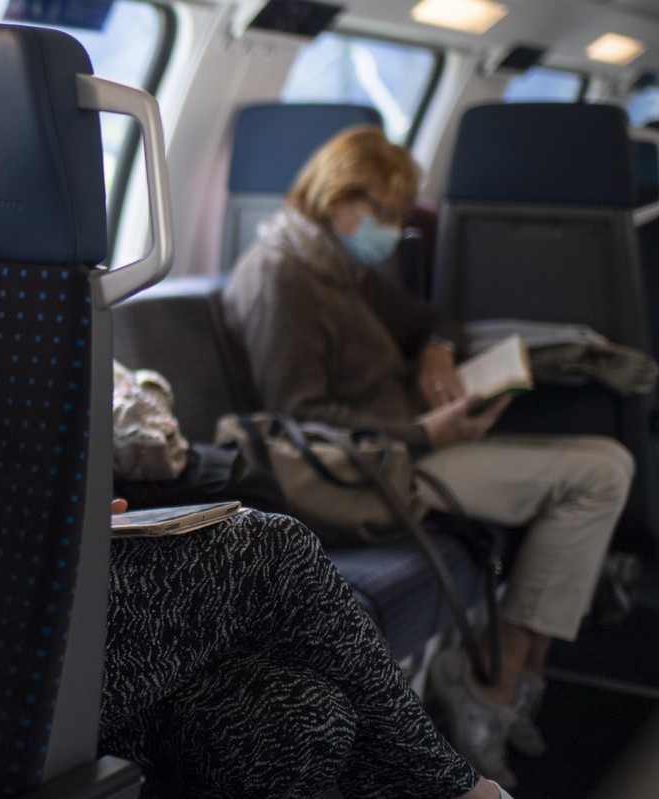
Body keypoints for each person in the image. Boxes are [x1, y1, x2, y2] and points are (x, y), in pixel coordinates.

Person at [219, 124, 634, 788]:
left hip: (407, 447)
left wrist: (437, 349)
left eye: (394, 214)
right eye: (377, 211)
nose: (386, 228)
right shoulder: (282, 278)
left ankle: (507, 675)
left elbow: (429, 317)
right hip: (379, 468)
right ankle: (497, 683)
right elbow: (301, 417)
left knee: (602, 463)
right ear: (332, 194)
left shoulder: (341, 267)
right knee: (601, 472)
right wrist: (427, 434)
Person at [102, 370, 509, 798]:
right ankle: (453, 788)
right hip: (47, 652)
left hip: (93, 599)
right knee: (272, 544)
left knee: (306, 718)